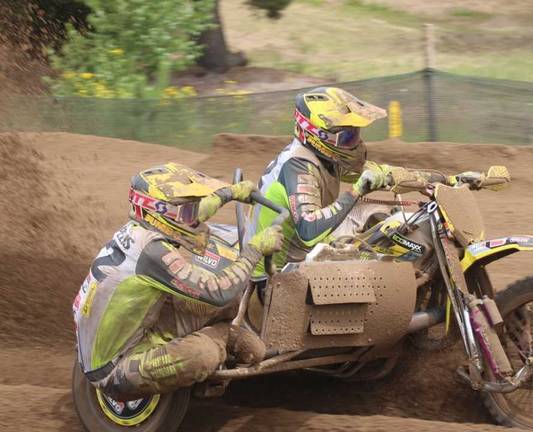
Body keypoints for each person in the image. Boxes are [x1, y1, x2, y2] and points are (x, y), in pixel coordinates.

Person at [73, 162, 283, 400]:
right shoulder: (152, 252)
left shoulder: (144, 229)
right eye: (185, 210)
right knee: (204, 354)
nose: (192, 216)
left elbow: (189, 216)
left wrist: (231, 192)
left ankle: (220, 336)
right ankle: (220, 339)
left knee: (227, 309)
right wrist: (255, 249)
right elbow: (219, 292)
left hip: (135, 328)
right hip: (113, 367)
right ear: (160, 212)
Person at [245, 86, 484, 275]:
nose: (355, 142)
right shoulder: (299, 167)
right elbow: (309, 229)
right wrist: (357, 190)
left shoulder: (322, 158)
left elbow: (386, 173)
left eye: (355, 134)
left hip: (304, 253)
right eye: (348, 135)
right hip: (279, 274)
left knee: (383, 217)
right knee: (383, 262)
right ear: (318, 135)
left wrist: (449, 179)